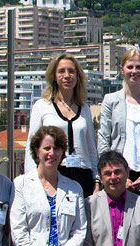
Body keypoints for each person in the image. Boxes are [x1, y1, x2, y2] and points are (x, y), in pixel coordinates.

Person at [25, 53, 98, 196]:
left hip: (82, 175)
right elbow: (31, 145)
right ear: (54, 76)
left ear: (78, 76)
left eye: (71, 71)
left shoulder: (84, 109)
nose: (67, 75)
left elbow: (91, 149)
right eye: (61, 71)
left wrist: (96, 180)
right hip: (53, 173)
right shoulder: (42, 106)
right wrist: (31, 178)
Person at [97, 48, 140, 193]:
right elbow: (103, 139)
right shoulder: (110, 100)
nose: (134, 71)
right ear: (122, 70)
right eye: (130, 67)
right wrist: (115, 172)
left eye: (138, 67)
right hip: (119, 174)